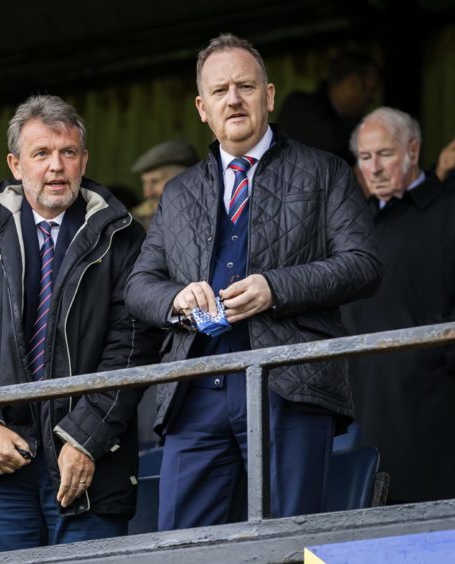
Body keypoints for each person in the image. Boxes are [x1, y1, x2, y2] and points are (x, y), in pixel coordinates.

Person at [125, 33, 382, 531]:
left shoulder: (324, 171)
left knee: (288, 539)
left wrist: (275, 288)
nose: (233, 99)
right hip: (194, 390)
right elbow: (139, 285)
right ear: (202, 108)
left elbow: (364, 264)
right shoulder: (178, 193)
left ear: (268, 95)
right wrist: (176, 298)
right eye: (219, 91)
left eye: (245, 86)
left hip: (288, 383)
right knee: (183, 549)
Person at [0, 94, 158, 555]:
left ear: (84, 159)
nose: (56, 166)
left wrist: (84, 438)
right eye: (42, 154)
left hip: (93, 466)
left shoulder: (121, 235)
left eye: (68, 152)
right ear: (16, 164)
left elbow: (133, 344)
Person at [342, 107, 455, 504]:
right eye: (365, 157)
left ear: (413, 150)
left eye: (384, 154)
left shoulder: (448, 213)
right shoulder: (355, 229)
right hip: (365, 414)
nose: (374, 168)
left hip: (435, 413)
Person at [277, 48, 378, 165]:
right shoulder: (299, 108)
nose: (371, 99)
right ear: (353, 83)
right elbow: (332, 147)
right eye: (370, 91)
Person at [130, 139, 198, 231]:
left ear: (186, 178)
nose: (147, 194)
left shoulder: (213, 211)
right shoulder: (137, 220)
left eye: (155, 181)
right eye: (144, 183)